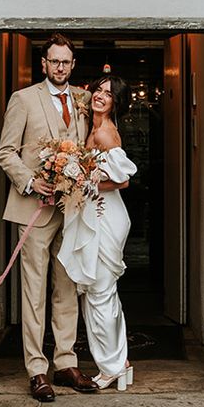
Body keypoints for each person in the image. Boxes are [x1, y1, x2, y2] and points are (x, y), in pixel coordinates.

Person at [0, 33, 98, 402]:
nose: (60, 67)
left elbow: (89, 149)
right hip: (34, 211)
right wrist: (30, 182)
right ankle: (37, 370)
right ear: (44, 64)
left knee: (68, 287)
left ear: (73, 65)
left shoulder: (84, 100)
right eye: (54, 61)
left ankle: (66, 361)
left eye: (65, 62)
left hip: (72, 211)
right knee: (34, 292)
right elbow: (5, 152)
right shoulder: (23, 100)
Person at [57, 74, 137, 391]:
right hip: (98, 212)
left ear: (116, 102)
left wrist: (81, 183)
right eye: (98, 90)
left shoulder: (106, 134)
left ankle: (110, 368)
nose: (101, 96)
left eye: (108, 93)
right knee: (103, 293)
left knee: (99, 294)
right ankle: (122, 362)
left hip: (107, 216)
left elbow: (123, 179)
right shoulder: (92, 127)